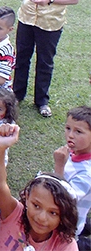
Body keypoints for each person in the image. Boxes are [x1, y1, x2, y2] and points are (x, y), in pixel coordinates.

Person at [13, 0, 85, 118]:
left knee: (45, 62)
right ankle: (17, 95)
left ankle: (41, 101)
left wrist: (50, 0)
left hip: (51, 23)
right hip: (27, 17)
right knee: (21, 58)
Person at [0, 124, 78, 250]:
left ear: (63, 215)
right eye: (36, 206)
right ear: (27, 197)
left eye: (53, 212)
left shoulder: (65, 246)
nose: (41, 218)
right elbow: (0, 183)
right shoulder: (13, 214)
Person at [53, 106, 91, 248]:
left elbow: (63, 200)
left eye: (78, 131)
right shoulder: (75, 152)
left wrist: (59, 167)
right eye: (68, 128)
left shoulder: (86, 174)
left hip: (66, 227)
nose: (70, 135)